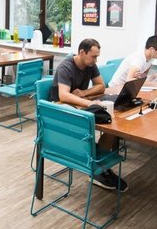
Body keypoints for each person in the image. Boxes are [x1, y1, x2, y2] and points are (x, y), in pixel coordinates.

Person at [51, 38, 128, 192]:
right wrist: (89, 103)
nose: (95, 60)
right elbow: (63, 96)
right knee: (101, 120)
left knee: (112, 122)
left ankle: (97, 163)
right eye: (93, 56)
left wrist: (85, 93)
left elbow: (101, 86)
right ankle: (95, 166)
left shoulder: (90, 65)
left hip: (79, 103)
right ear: (82, 52)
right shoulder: (66, 67)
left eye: (97, 56)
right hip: (59, 109)